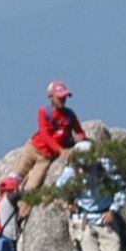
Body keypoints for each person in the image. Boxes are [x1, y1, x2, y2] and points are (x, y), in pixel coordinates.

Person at [53, 152, 125, 251]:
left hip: (104, 219)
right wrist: (68, 205)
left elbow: (121, 189)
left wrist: (113, 210)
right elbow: (58, 189)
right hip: (84, 220)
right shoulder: (72, 170)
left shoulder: (104, 166)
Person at [22, 81, 88, 212]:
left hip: (46, 157)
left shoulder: (69, 115)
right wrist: (60, 150)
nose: (63, 100)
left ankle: (20, 216)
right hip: (34, 148)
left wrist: (79, 139)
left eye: (64, 97)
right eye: (60, 97)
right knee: (14, 177)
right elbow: (45, 134)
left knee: (31, 188)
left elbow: (80, 132)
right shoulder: (44, 112)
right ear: (51, 97)